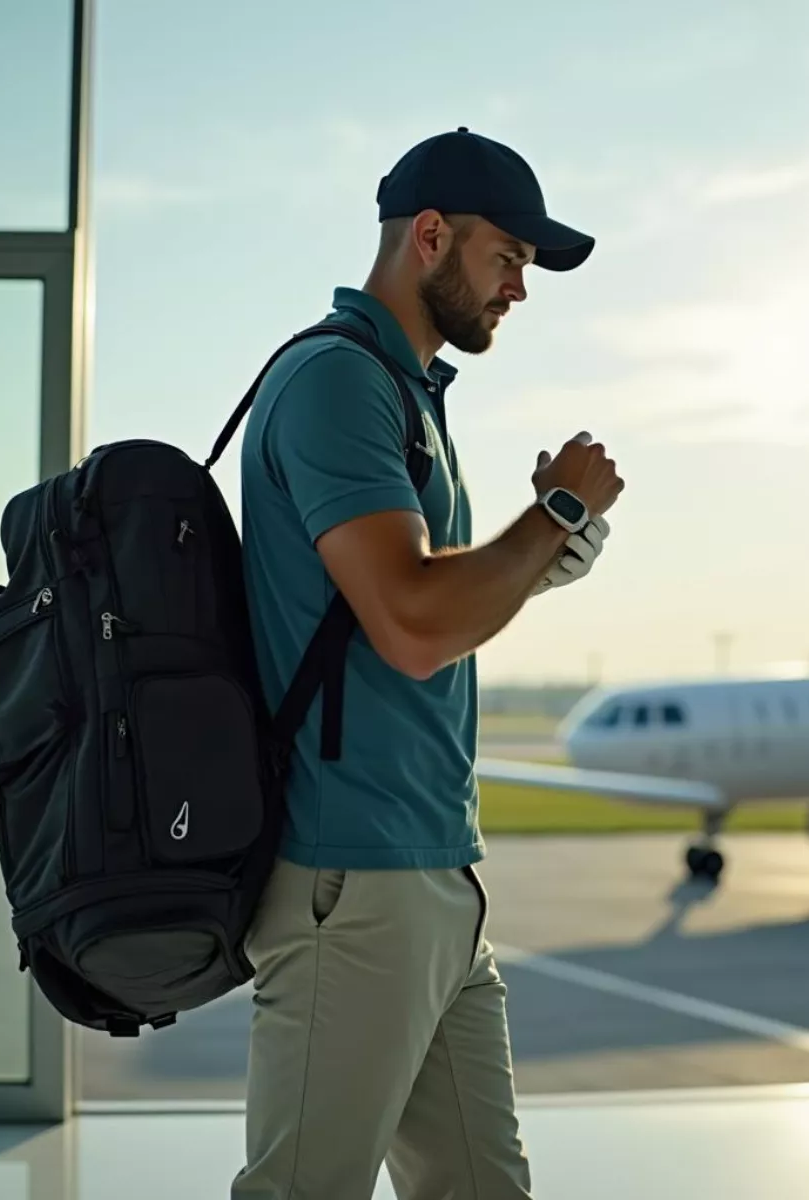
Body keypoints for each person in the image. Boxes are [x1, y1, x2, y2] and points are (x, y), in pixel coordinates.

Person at [230, 127, 624, 1200]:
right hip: (349, 888)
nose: (519, 290)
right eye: (509, 259)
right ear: (432, 237)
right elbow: (410, 621)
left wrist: (542, 554)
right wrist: (555, 514)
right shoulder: (335, 384)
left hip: (435, 878)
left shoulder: (407, 396)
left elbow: (413, 613)